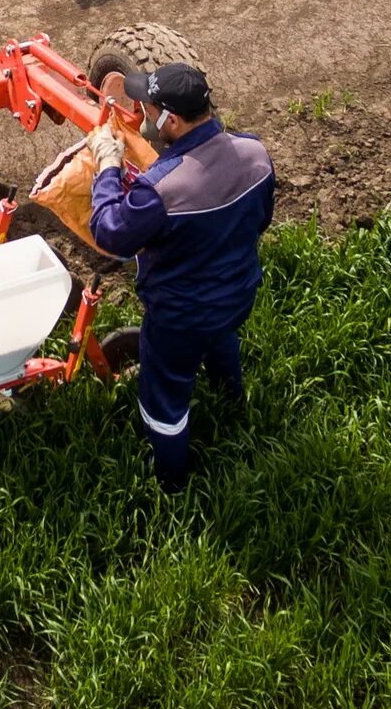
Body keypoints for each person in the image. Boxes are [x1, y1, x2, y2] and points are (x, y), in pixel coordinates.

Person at [88, 61, 276, 492]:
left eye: (149, 109)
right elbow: (260, 221)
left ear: (170, 119)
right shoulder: (255, 153)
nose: (145, 115)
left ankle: (171, 483)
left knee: (164, 397)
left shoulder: (160, 189)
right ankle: (233, 401)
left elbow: (110, 233)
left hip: (181, 318)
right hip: (239, 293)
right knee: (220, 335)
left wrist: (108, 168)